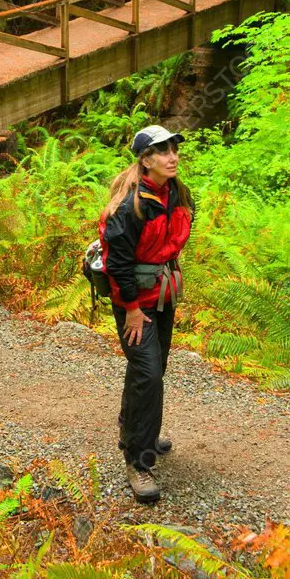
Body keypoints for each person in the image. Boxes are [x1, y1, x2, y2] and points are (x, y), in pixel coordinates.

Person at [98, 124, 195, 503]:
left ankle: (136, 429)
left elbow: (173, 242)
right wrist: (133, 311)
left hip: (163, 295)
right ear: (145, 160)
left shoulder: (177, 194)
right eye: (162, 150)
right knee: (149, 372)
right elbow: (117, 266)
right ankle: (138, 460)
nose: (172, 156)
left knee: (150, 370)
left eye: (174, 148)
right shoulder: (128, 207)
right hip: (135, 303)